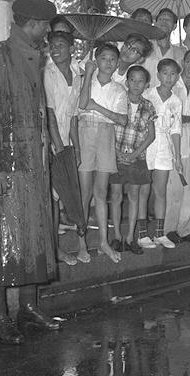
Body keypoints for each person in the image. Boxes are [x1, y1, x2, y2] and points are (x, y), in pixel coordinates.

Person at [0, 0, 60, 345]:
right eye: (45, 25)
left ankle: (27, 309)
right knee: (0, 239)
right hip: (7, 166)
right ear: (34, 24)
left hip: (33, 167)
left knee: (33, 235)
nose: (48, 31)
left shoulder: (34, 56)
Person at [78, 42, 127, 263]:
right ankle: (81, 244)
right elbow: (81, 104)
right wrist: (88, 75)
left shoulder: (119, 89)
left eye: (112, 59)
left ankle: (104, 242)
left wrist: (96, 107)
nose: (108, 63)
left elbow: (122, 119)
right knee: (84, 193)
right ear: (96, 60)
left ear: (117, 63)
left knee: (101, 192)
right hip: (85, 131)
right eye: (104, 58)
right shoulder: (85, 79)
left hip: (106, 135)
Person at [44, 17, 82, 266]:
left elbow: (74, 116)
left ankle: (57, 247)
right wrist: (58, 146)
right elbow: (48, 113)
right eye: (51, 45)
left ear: (71, 49)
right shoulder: (47, 72)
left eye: (60, 45)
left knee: (59, 196)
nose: (55, 50)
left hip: (67, 143)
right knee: (53, 197)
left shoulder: (77, 74)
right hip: (50, 143)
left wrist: (75, 148)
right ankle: (54, 250)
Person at [109, 65, 156, 254]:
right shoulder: (118, 101)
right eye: (133, 80)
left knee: (134, 196)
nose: (136, 84)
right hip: (116, 156)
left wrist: (134, 154)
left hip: (138, 158)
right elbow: (109, 127)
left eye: (141, 81)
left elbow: (151, 135)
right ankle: (117, 237)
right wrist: (116, 152)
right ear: (127, 81)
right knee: (116, 196)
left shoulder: (148, 106)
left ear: (146, 84)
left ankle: (130, 238)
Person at [164, 49, 190, 244]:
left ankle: (184, 229)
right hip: (173, 138)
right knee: (174, 187)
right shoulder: (173, 82)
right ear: (183, 62)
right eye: (189, 62)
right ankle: (169, 229)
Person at [144, 58, 183, 248]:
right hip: (145, 144)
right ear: (158, 75)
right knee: (143, 190)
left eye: (173, 74)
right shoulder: (147, 94)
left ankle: (159, 233)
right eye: (165, 73)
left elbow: (176, 130)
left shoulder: (176, 101)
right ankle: (142, 234)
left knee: (160, 191)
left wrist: (178, 156)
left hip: (164, 147)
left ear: (177, 77)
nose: (169, 77)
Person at [143, 8, 185, 88]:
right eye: (161, 19)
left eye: (168, 19)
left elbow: (180, 81)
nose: (164, 22)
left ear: (174, 26)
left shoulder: (180, 53)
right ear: (155, 23)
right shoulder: (145, 45)